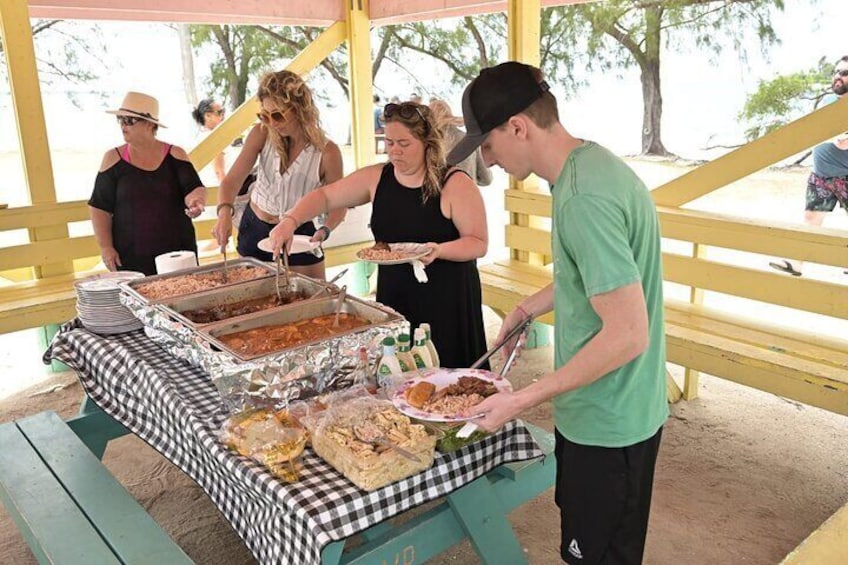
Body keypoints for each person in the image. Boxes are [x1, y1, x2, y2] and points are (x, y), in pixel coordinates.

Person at [448, 62, 667, 564]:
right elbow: (592, 277)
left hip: (610, 422)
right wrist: (529, 306)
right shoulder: (590, 166)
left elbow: (630, 333)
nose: (487, 157)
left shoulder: (582, 198)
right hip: (614, 411)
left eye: (488, 142)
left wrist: (521, 398)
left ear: (518, 126)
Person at [268, 101, 489, 368]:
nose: (394, 151)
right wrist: (290, 220)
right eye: (389, 142)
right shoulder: (377, 177)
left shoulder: (454, 183)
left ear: (427, 142)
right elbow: (326, 195)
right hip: (395, 295)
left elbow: (478, 243)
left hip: (447, 297)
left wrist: (439, 250)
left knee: (450, 377)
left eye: (404, 144)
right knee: (397, 373)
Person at [212, 70, 346, 280]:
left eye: (277, 115)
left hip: (300, 232)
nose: (271, 122)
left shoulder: (327, 152)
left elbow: (339, 205)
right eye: (264, 115)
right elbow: (231, 181)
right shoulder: (261, 134)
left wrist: (325, 230)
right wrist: (223, 214)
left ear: (300, 110)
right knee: (252, 301)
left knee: (311, 302)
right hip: (255, 225)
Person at [89, 92, 206, 276]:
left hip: (177, 256)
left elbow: (194, 188)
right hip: (130, 257)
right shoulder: (112, 159)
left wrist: (196, 202)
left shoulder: (175, 154)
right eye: (120, 119)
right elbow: (99, 208)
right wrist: (106, 247)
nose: (122, 125)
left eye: (129, 120)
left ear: (150, 124)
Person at [769, 55, 848, 277]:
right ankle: (797, 264)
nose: (838, 77)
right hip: (821, 174)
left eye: (844, 73)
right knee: (811, 219)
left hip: (846, 175)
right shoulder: (827, 103)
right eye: (836, 72)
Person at [429, 98, 492, 187]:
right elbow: (486, 179)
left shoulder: (429, 143)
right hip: (469, 196)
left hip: (442, 198)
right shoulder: (469, 140)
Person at [191, 98, 227, 184]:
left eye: (223, 111)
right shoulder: (213, 137)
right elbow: (219, 171)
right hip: (217, 187)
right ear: (207, 116)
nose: (223, 115)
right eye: (219, 112)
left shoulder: (199, 136)